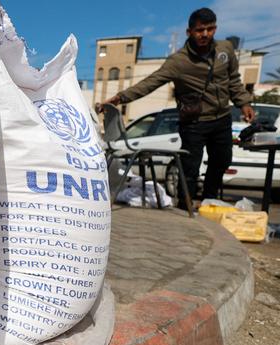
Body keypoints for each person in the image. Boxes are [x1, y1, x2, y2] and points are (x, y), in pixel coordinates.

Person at [101, 7, 255, 206]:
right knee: (190, 167)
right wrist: (121, 97)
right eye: (200, 30)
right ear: (189, 32)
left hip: (222, 118)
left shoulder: (225, 50)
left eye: (210, 29)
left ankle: (210, 200)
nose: (205, 34)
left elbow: (233, 80)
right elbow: (150, 83)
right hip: (194, 122)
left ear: (215, 29)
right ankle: (185, 204)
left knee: (222, 160)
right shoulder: (178, 62)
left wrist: (244, 103)